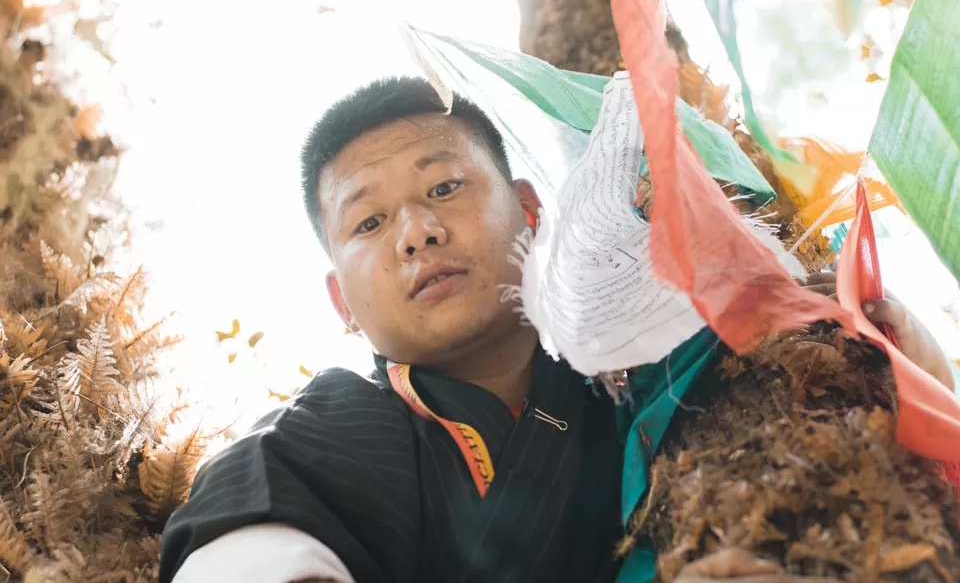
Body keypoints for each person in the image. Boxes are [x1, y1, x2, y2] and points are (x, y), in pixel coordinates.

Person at [158, 76, 956, 583]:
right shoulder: (330, 430)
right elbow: (255, 547)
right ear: (342, 301)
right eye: (368, 220)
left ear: (533, 214)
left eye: (444, 185)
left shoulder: (658, 351)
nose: (417, 231)